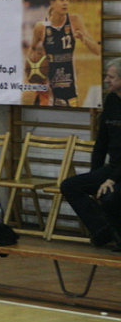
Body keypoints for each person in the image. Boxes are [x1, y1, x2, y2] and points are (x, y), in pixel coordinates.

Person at [61, 58, 121, 251]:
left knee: (109, 197)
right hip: (114, 167)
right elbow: (102, 141)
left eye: (111, 77)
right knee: (70, 186)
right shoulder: (111, 101)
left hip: (118, 173)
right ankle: (105, 230)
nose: (106, 80)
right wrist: (95, 173)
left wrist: (111, 179)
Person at [28, 0, 100, 107]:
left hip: (69, 85)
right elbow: (32, 50)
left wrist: (83, 39)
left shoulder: (74, 20)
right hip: (48, 87)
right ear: (52, 3)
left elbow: (97, 50)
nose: (66, 3)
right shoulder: (41, 27)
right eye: (62, 0)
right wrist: (33, 68)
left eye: (68, 0)